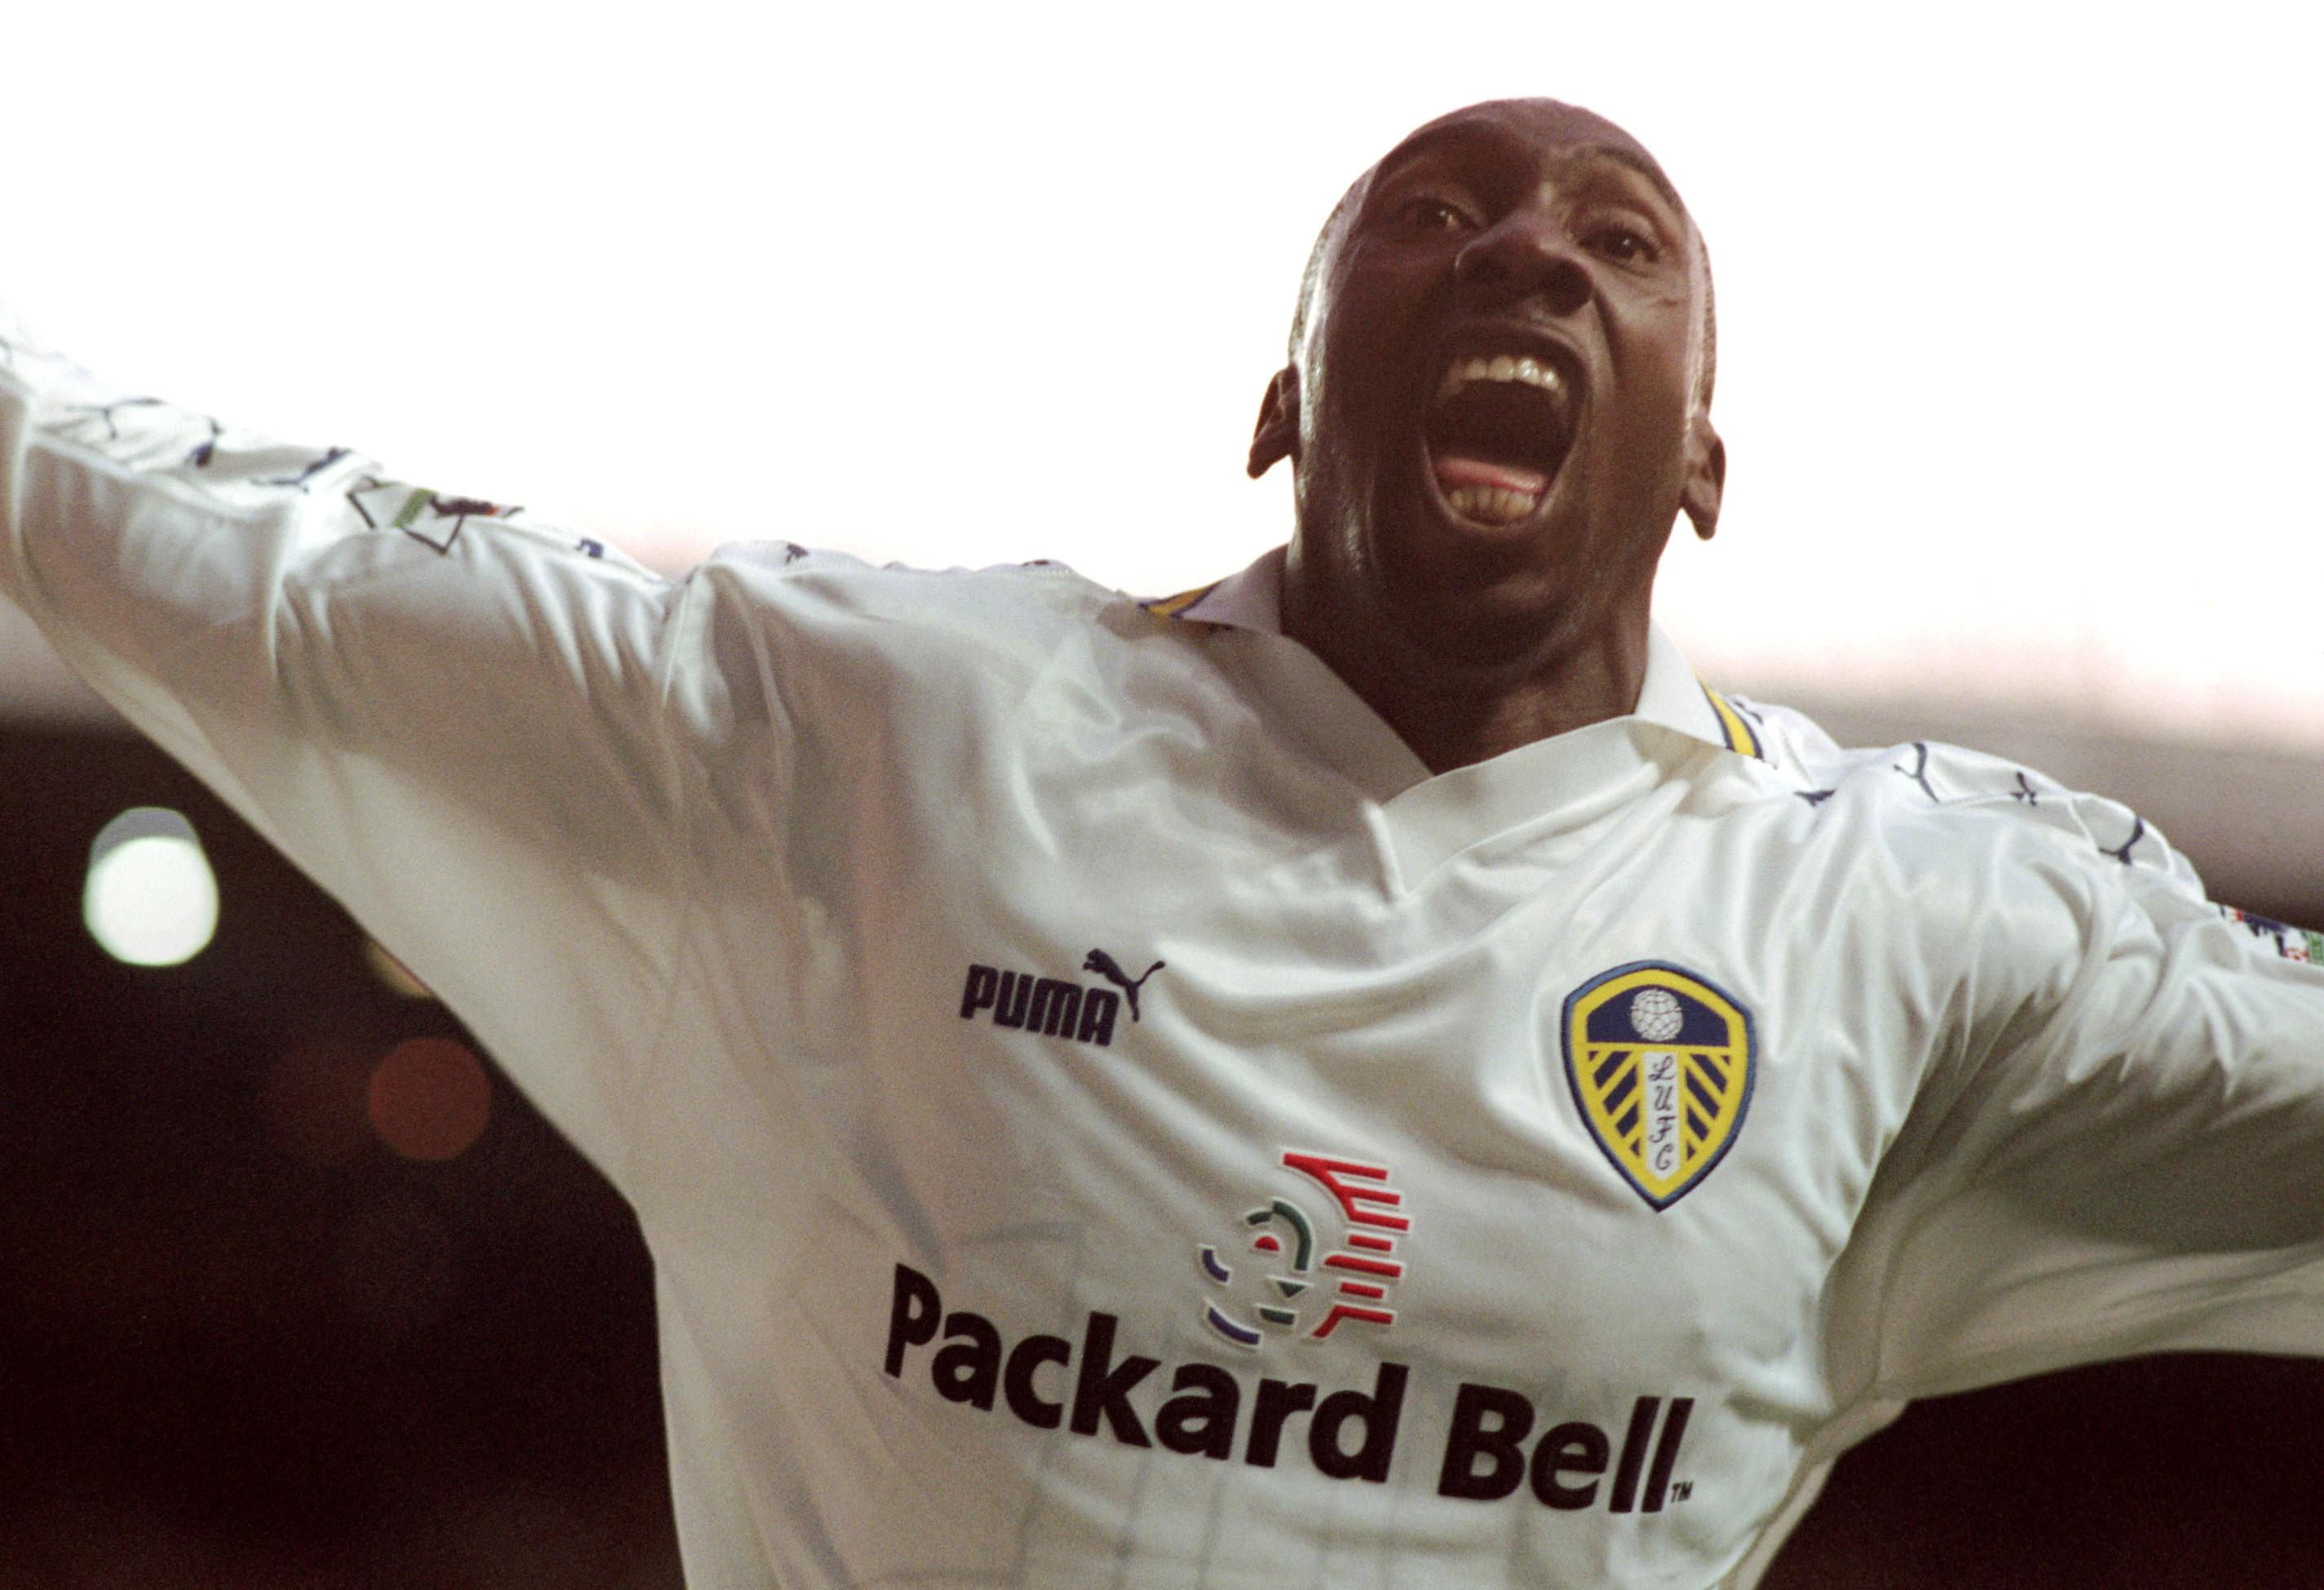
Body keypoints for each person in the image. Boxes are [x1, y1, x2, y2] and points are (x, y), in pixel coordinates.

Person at [5, 96, 2322, 1590]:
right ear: (1285, 403)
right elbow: (295, 570)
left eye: (1614, 243)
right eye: (1434, 218)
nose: (1524, 253)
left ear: (1698, 462)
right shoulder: (904, 738)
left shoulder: (1895, 927)